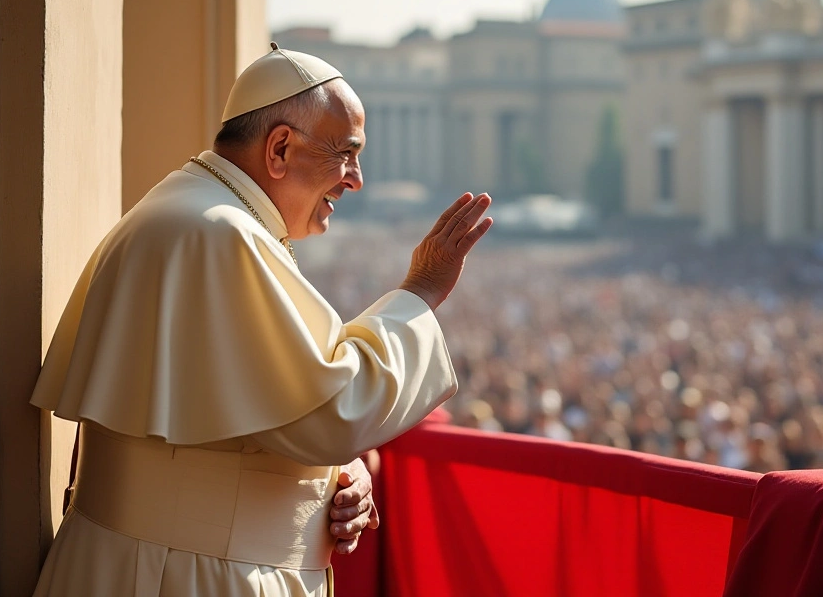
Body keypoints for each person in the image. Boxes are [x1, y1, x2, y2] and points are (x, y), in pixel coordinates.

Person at [30, 44, 493, 597]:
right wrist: (419, 291)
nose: (357, 179)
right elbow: (331, 415)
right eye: (346, 154)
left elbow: (262, 423)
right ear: (279, 148)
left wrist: (339, 477)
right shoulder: (217, 233)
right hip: (185, 577)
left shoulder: (201, 213)